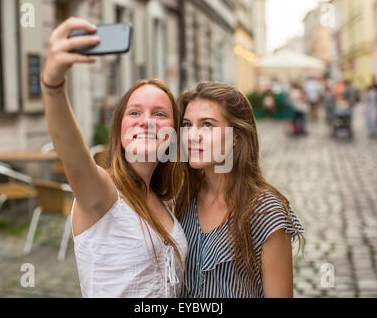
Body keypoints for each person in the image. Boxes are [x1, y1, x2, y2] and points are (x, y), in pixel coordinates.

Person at [41, 17, 188, 297]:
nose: (147, 121)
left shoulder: (163, 197)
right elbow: (73, 156)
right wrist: (53, 85)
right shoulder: (103, 193)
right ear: (120, 129)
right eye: (134, 113)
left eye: (160, 114)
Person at [175, 82, 305, 298]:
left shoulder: (266, 212)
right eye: (187, 124)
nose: (191, 135)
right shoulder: (182, 198)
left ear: (236, 136)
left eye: (207, 125)